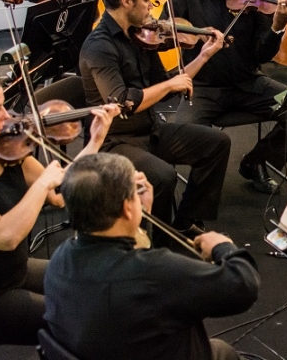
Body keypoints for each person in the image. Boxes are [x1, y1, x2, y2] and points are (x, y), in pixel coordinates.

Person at [0, 66, 118, 346]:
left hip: (15, 270)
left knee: (92, 284)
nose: (8, 117)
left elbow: (62, 192)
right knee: (83, 323)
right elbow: (5, 236)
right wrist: (41, 185)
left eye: (4, 106)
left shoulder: (7, 152)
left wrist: (96, 141)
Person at [44, 153, 259, 360]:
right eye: (134, 194)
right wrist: (223, 247)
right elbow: (242, 285)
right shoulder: (156, 274)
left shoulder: (61, 259)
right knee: (224, 351)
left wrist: (142, 215)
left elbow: (131, 263)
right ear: (127, 207)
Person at [78, 0, 231, 235]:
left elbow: (168, 85)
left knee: (216, 143)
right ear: (126, 1)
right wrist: (171, 84)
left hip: (150, 130)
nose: (152, 8)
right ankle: (160, 245)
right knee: (162, 176)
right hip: (114, 141)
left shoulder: (139, 35)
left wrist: (204, 55)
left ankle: (184, 225)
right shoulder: (98, 47)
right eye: (147, 0)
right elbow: (123, 103)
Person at [167, 0, 287, 194]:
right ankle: (196, 201)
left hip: (250, 84)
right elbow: (166, 36)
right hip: (203, 89)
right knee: (182, 135)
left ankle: (256, 161)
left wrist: (277, 26)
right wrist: (190, 35)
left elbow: (261, 55)